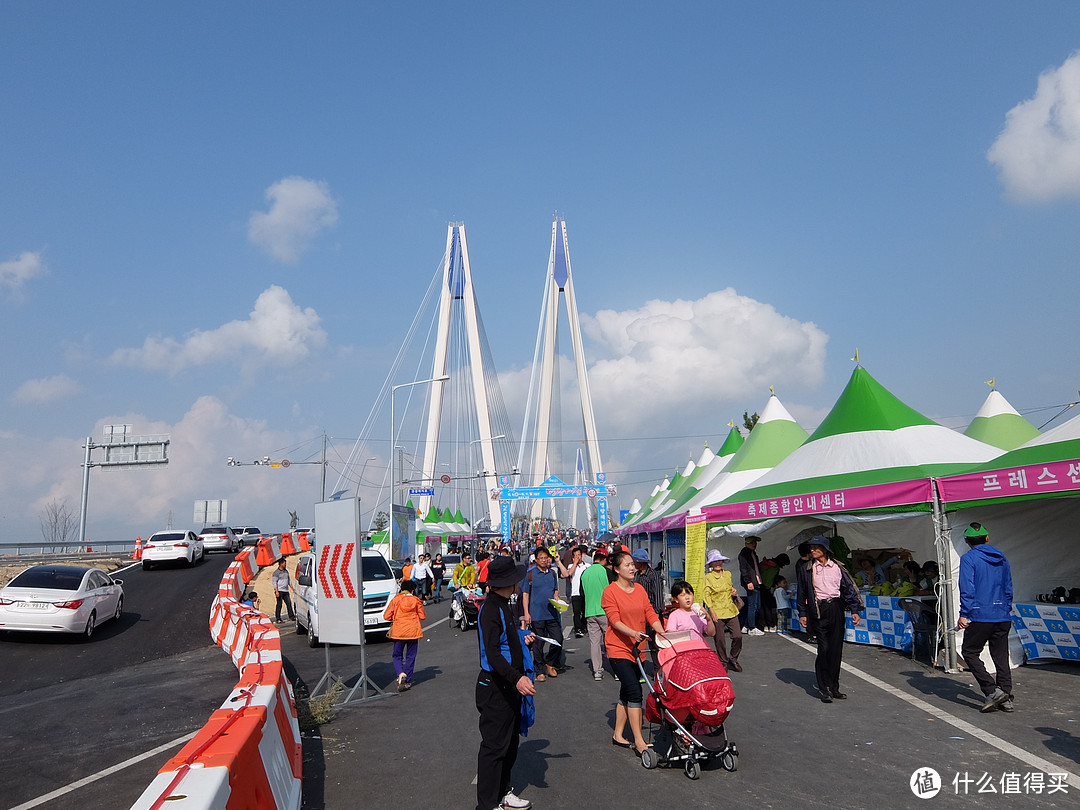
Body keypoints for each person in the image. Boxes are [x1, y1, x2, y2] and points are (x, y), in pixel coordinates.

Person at [476, 555, 536, 810]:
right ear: (508, 582)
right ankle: (487, 805)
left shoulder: (502, 604)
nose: (519, 584)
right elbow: (492, 653)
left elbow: (505, 640)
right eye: (516, 580)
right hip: (495, 685)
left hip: (508, 685)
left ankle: (503, 793)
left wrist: (522, 638)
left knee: (510, 744)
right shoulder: (490, 608)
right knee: (494, 748)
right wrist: (517, 677)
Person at [602, 550, 666, 755]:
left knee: (625, 692)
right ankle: (639, 740)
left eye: (633, 564)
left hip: (638, 650)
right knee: (635, 691)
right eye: (627, 564)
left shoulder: (639, 589)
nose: (632, 567)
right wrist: (634, 633)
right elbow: (614, 620)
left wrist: (662, 632)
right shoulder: (610, 592)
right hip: (618, 648)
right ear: (617, 569)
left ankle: (618, 734)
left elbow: (649, 612)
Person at [957, 522, 1015, 713]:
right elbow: (1008, 585)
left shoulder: (968, 559)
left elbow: (967, 588)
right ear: (987, 538)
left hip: (981, 614)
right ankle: (1005, 695)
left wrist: (964, 614)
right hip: (1002, 614)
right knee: (1000, 655)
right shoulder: (1002, 557)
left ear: (966, 541)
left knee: (970, 652)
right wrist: (1006, 606)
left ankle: (991, 690)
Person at [797, 536, 862, 703]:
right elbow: (802, 593)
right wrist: (802, 613)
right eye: (811, 547)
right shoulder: (807, 569)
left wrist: (854, 609)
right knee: (824, 649)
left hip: (836, 608)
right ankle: (824, 687)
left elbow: (848, 589)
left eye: (816, 547)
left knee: (835, 649)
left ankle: (834, 687)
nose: (812, 550)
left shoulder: (837, 567)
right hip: (818, 610)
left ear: (825, 549)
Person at [522, 546, 566, 680]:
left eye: (545, 557)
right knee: (538, 644)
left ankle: (549, 662)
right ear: (536, 560)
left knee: (558, 639)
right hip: (536, 614)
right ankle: (539, 670)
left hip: (551, 613)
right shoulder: (530, 574)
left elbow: (555, 590)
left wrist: (557, 598)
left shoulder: (552, 573)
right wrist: (526, 613)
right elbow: (525, 595)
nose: (543, 560)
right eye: (540, 558)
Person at [702, 549, 743, 671]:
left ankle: (733, 658)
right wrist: (711, 611)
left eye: (719, 560)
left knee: (738, 636)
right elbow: (706, 595)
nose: (717, 563)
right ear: (711, 564)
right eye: (714, 561)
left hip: (730, 609)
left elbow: (730, 588)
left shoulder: (728, 574)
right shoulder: (708, 578)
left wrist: (734, 591)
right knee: (719, 639)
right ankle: (723, 661)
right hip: (717, 611)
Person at [383, 579, 426, 691]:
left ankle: (400, 673)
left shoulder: (396, 600)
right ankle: (407, 680)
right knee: (411, 656)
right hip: (413, 631)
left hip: (399, 632)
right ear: (412, 590)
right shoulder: (416, 601)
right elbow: (422, 616)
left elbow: (386, 616)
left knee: (397, 655)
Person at [581, 548, 612, 680]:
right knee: (610, 641)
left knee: (594, 642)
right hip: (605, 611)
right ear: (604, 559)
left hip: (590, 611)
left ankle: (597, 671)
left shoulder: (585, 573)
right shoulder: (606, 571)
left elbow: (582, 595)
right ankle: (617, 671)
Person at [738, 536, 764, 635]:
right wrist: (748, 581)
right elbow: (743, 569)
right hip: (751, 582)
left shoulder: (753, 553)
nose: (754, 544)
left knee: (756, 605)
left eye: (755, 542)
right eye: (752, 542)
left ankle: (746, 625)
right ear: (747, 543)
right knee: (753, 605)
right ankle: (752, 628)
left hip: (756, 581)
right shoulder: (744, 554)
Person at [631, 549, 665, 615]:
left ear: (641, 562)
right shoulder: (637, 575)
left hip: (652, 612)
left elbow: (658, 594)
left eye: (635, 561)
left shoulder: (654, 575)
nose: (634, 563)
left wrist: (656, 612)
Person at [567, 545, 589, 638]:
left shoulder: (587, 566)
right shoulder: (571, 566)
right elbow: (570, 573)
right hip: (575, 592)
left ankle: (584, 626)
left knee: (585, 611)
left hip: (585, 592)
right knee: (576, 612)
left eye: (579, 555)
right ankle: (577, 629)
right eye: (575, 555)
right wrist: (575, 563)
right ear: (573, 557)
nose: (578, 557)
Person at [272, 557, 296, 623]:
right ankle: (278, 618)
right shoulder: (276, 573)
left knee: (289, 603)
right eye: (284, 563)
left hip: (285, 590)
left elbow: (288, 580)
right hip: (279, 590)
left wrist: (292, 588)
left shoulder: (286, 571)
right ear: (281, 564)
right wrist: (276, 591)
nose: (285, 564)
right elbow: (274, 582)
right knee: (279, 604)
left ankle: (291, 616)